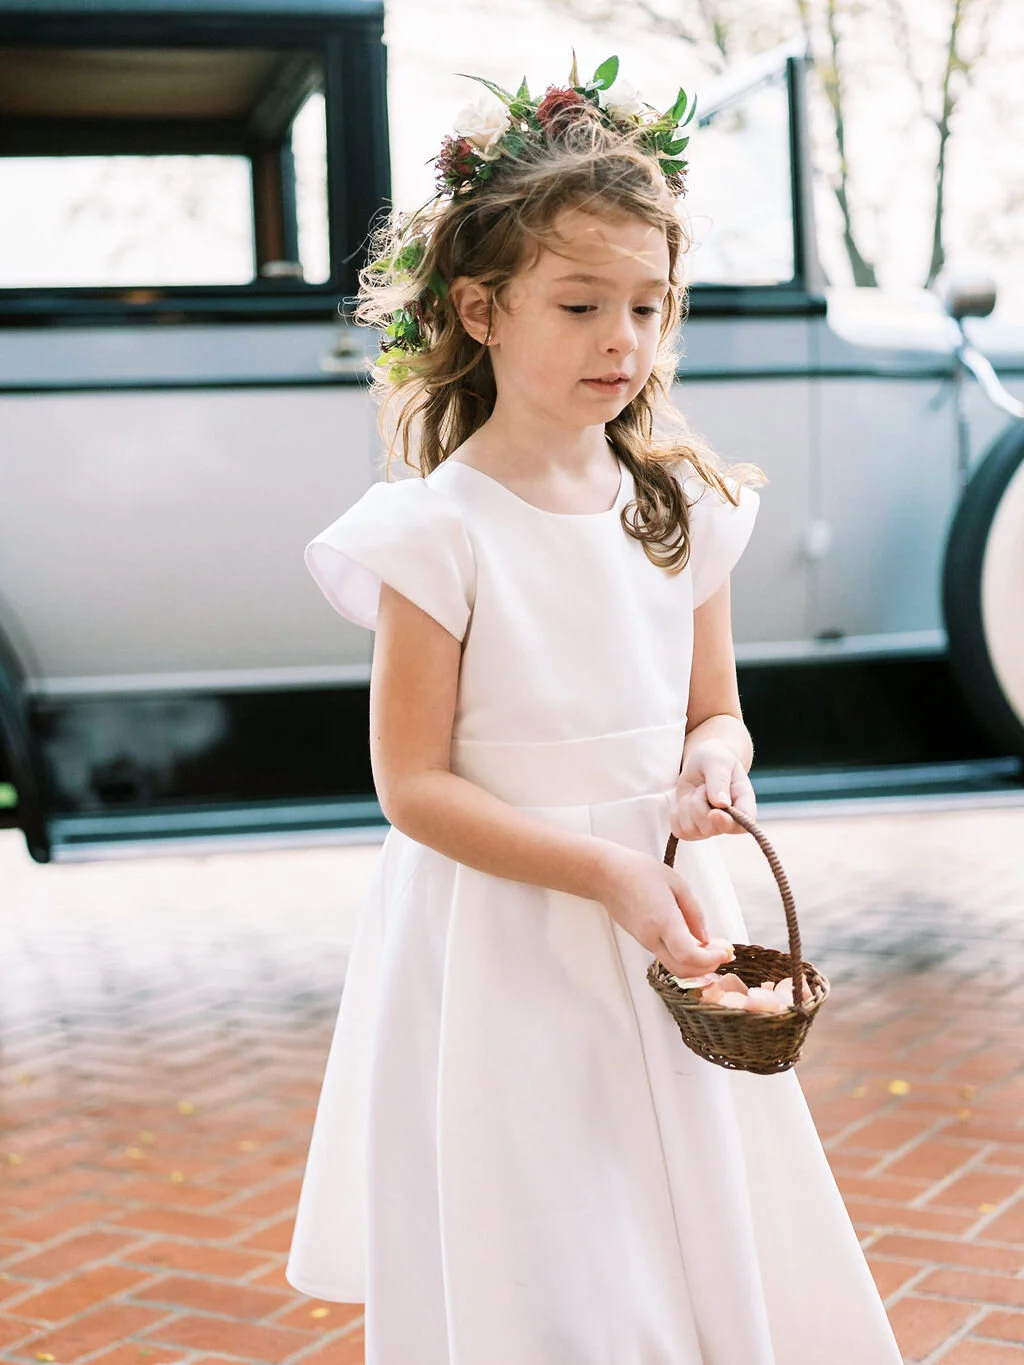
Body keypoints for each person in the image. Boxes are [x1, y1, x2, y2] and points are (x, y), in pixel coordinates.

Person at [286, 57, 903, 1365]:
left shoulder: (679, 507)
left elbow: (715, 713)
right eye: (581, 305)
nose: (623, 340)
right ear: (481, 309)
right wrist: (605, 873)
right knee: (551, 1243)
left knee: (678, 1223)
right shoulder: (434, 532)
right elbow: (413, 786)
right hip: (505, 938)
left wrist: (714, 768)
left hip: (670, 916)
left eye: (648, 306)